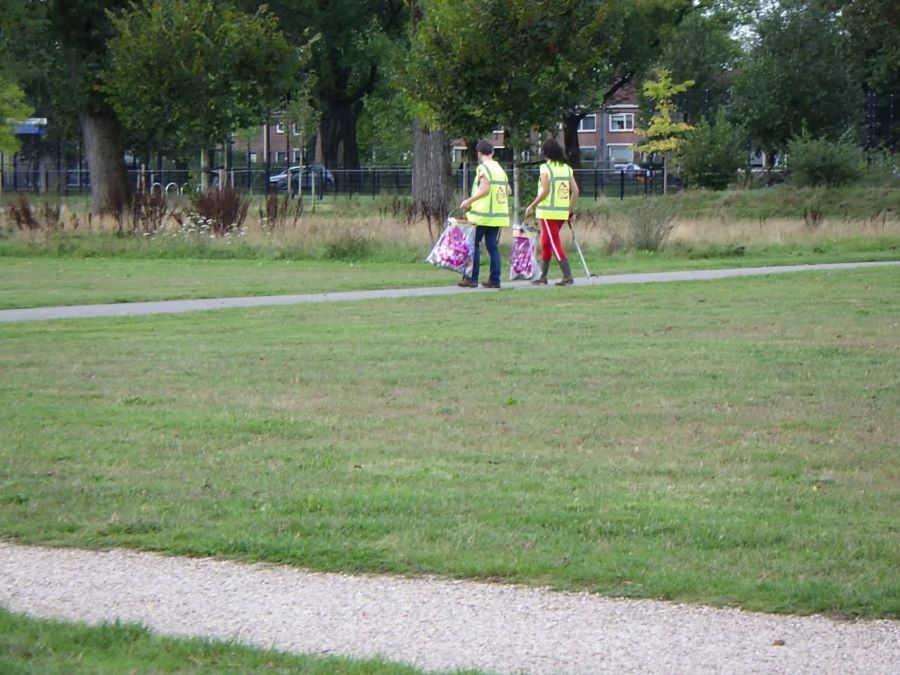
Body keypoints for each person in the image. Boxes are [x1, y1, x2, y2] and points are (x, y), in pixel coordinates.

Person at [524, 138, 580, 285]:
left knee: (554, 244)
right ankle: (542, 276)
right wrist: (570, 211)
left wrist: (532, 205)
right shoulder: (566, 168)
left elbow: (545, 190)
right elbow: (575, 191)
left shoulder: (545, 169)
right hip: (561, 213)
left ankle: (567, 276)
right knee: (546, 243)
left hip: (548, 213)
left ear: (546, 153)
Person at [458, 139, 511, 288]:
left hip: (482, 214)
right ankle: (495, 279)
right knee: (492, 247)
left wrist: (469, 201)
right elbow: (508, 191)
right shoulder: (500, 170)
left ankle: (471, 278)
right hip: (498, 215)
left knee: (473, 245)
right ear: (492, 152)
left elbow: (485, 189)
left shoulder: (484, 169)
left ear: (479, 153)